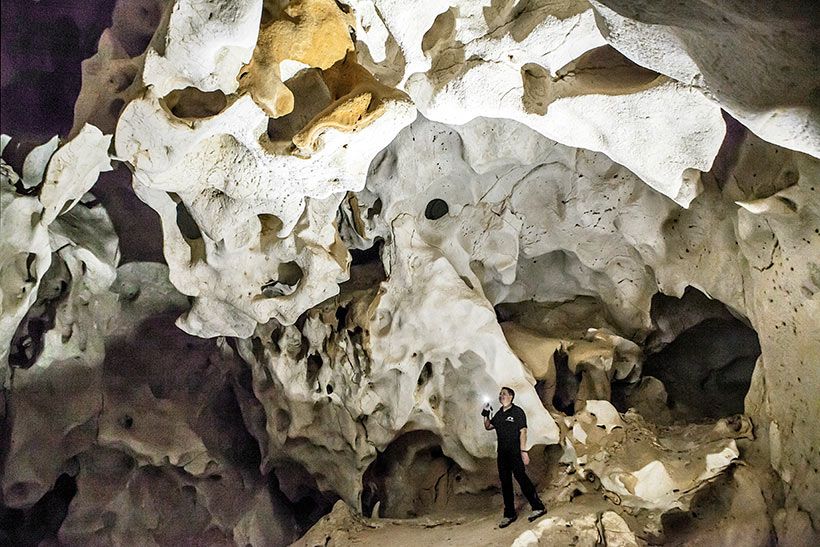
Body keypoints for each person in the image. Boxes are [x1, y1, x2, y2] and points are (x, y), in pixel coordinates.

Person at [482, 386, 546, 528]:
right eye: (500, 394)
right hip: (502, 454)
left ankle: (538, 507)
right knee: (505, 483)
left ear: (511, 396)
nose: (501, 396)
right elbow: (488, 426)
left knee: (521, 478)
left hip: (515, 452)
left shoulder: (517, 412)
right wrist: (486, 414)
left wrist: (523, 451)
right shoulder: (499, 414)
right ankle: (509, 514)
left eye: (504, 394)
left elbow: (523, 431)